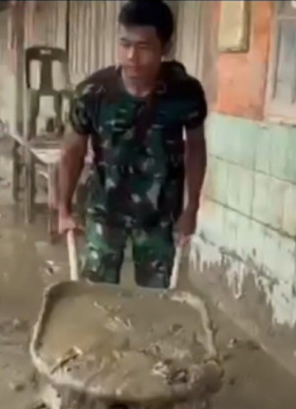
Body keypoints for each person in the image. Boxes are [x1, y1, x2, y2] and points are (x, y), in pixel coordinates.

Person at [56, 0, 208, 289]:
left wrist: (192, 209)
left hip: (160, 215)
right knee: (95, 298)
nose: (131, 57)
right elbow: (71, 151)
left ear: (165, 47)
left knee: (154, 302)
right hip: (105, 209)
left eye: (144, 47)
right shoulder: (92, 93)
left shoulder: (185, 93)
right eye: (124, 44)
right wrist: (64, 209)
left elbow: (196, 148)